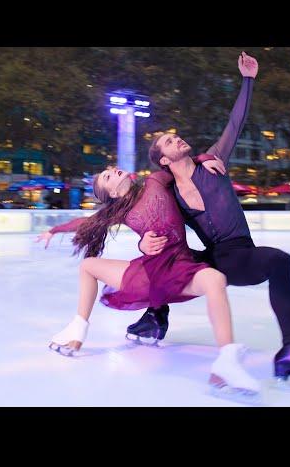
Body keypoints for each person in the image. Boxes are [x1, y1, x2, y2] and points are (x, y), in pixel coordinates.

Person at [134, 51, 290, 394]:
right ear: (164, 159)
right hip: (212, 256)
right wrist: (145, 243)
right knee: (158, 261)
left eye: (175, 136)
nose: (178, 138)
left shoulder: (213, 162)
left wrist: (248, 80)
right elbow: (153, 223)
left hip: (239, 255)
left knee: (278, 260)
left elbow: (236, 122)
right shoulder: (166, 189)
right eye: (169, 142)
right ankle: (154, 319)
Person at [37, 157, 261, 403]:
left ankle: (226, 362)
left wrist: (204, 159)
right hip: (149, 273)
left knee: (215, 279)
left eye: (111, 169)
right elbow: (85, 223)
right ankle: (77, 330)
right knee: (88, 265)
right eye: (108, 176)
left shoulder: (155, 181)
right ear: (111, 192)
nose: (113, 170)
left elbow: (180, 167)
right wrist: (53, 230)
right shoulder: (118, 211)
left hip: (180, 265)